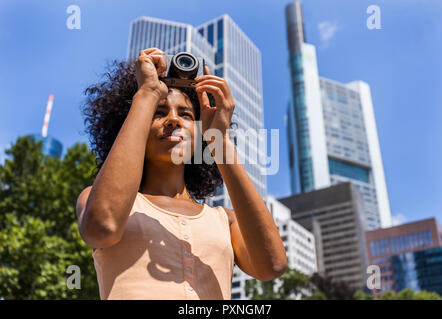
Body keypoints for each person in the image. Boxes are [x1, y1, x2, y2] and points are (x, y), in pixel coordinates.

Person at [76, 47, 287, 300]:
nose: (173, 120)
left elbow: (271, 265)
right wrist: (148, 92)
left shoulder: (225, 220)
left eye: (186, 114)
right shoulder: (96, 199)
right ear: (136, 123)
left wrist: (218, 141)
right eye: (158, 112)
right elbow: (103, 227)